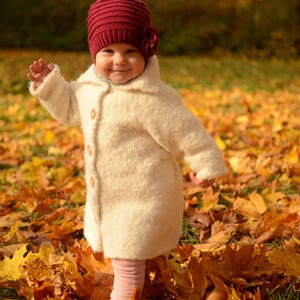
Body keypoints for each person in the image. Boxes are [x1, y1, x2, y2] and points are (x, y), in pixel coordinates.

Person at [28, 0, 228, 299]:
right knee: (127, 252)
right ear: (94, 53)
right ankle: (147, 286)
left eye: (130, 51)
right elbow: (70, 109)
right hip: (109, 198)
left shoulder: (153, 99)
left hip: (145, 197)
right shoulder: (89, 87)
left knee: (127, 259)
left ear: (146, 52)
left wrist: (205, 164)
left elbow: (186, 131)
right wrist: (49, 84)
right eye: (108, 51)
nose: (119, 60)